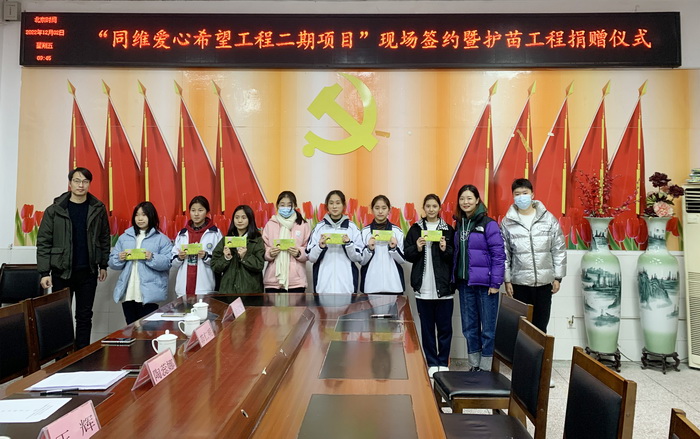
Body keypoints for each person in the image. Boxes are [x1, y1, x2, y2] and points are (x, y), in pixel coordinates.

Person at [36, 167, 111, 349]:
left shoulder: (98, 209)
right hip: (61, 272)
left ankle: (82, 356)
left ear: (89, 184)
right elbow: (44, 241)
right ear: (70, 183)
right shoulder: (55, 210)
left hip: (88, 272)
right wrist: (44, 272)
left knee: (84, 317)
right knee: (60, 317)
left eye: (85, 181)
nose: (81, 185)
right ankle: (61, 358)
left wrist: (103, 265)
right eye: (77, 181)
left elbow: (104, 238)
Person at [500, 178, 566, 333]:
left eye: (525, 193)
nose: (521, 197)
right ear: (513, 196)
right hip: (520, 284)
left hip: (544, 283)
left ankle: (540, 350)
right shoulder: (507, 222)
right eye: (517, 194)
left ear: (532, 194)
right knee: (522, 327)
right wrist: (507, 280)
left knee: (541, 327)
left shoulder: (548, 219)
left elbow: (558, 248)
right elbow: (505, 254)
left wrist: (558, 277)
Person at [453, 184, 505, 372]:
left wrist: (496, 283)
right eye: (462, 198)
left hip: (486, 285)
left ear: (477, 200)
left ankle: (486, 368)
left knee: (488, 330)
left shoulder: (489, 224)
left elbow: (498, 255)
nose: (465, 202)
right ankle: (474, 365)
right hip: (465, 284)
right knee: (469, 328)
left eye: (469, 198)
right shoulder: (459, 224)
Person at [405, 194, 455, 377]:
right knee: (427, 329)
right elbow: (407, 254)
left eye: (435, 206)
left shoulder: (448, 230)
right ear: (423, 208)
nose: (431, 209)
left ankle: (443, 361)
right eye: (428, 206)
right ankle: (432, 362)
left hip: (444, 288)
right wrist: (417, 247)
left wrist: (444, 249)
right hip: (423, 288)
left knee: (445, 328)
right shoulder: (415, 229)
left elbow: (453, 256)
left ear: (439, 208)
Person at [109, 202, 173, 324]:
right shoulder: (124, 237)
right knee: (131, 327)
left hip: (150, 294)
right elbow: (112, 262)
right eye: (137, 215)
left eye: (144, 215)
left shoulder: (162, 239)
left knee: (148, 329)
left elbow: (168, 262)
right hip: (128, 292)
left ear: (151, 216)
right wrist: (119, 258)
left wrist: (151, 257)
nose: (140, 218)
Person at [306, 190, 363, 294]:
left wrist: (349, 244)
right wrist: (320, 247)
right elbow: (311, 257)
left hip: (347, 287)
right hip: (323, 287)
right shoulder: (319, 228)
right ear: (327, 206)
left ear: (344, 205)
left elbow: (359, 257)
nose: (334, 206)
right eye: (331, 203)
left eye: (338, 203)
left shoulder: (352, 228)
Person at [172, 196, 222, 296]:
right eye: (193, 210)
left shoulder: (215, 233)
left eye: (200, 210)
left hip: (205, 287)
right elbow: (173, 262)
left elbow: (220, 262)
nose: (196, 214)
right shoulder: (182, 234)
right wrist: (179, 258)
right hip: (183, 288)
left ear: (207, 212)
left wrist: (206, 256)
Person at [262, 191, 311, 292]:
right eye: (282, 205)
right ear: (277, 206)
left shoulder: (303, 225)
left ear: (295, 206)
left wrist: (299, 253)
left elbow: (309, 249)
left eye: (289, 205)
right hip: (273, 281)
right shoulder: (270, 224)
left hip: (296, 282)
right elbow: (263, 248)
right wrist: (269, 253)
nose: (285, 208)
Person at [211, 205, 264, 294]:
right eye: (237, 217)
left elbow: (259, 265)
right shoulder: (226, 240)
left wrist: (245, 257)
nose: (239, 221)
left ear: (250, 220)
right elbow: (215, 266)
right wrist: (226, 258)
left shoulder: (256, 240)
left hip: (250, 292)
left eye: (243, 218)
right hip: (228, 291)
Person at [359, 195, 405, 294]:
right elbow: (362, 261)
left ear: (389, 210)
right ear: (372, 210)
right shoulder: (365, 232)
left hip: (394, 285)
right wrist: (369, 249)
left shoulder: (397, 231)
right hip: (371, 286)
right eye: (377, 208)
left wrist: (394, 249)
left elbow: (402, 260)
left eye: (384, 208)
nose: (380, 211)